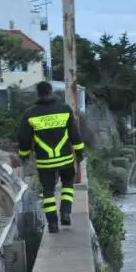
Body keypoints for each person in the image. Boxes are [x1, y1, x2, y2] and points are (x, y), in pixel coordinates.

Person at [17, 81, 85, 234]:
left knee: (48, 191)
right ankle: (65, 212)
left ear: (38, 94)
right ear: (51, 91)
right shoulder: (64, 109)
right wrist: (80, 152)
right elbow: (75, 134)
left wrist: (24, 155)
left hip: (45, 162)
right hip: (65, 158)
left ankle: (53, 224)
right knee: (67, 184)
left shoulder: (30, 114)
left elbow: (24, 138)